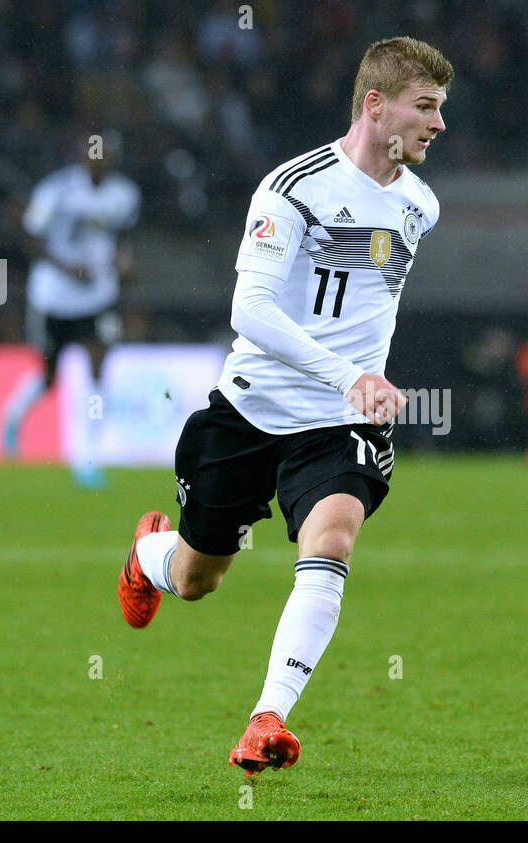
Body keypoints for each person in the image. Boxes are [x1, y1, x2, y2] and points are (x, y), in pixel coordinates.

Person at [117, 37, 452, 776]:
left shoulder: (419, 205)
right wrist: (348, 374)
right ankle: (148, 555)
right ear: (375, 105)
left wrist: (362, 384)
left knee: (331, 542)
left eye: (440, 109)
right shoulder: (293, 188)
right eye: (424, 107)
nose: (437, 124)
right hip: (250, 410)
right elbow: (253, 309)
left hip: (339, 425)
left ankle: (266, 718)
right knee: (199, 578)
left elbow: (371, 306)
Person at [2, 132, 139, 488]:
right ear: (82, 155)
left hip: (98, 297)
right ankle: (13, 415)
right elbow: (29, 237)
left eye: (107, 154)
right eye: (94, 152)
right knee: (49, 377)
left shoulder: (124, 195)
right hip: (54, 298)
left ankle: (86, 458)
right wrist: (66, 268)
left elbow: (123, 237)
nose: (100, 159)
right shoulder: (56, 191)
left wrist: (125, 263)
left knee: (98, 366)